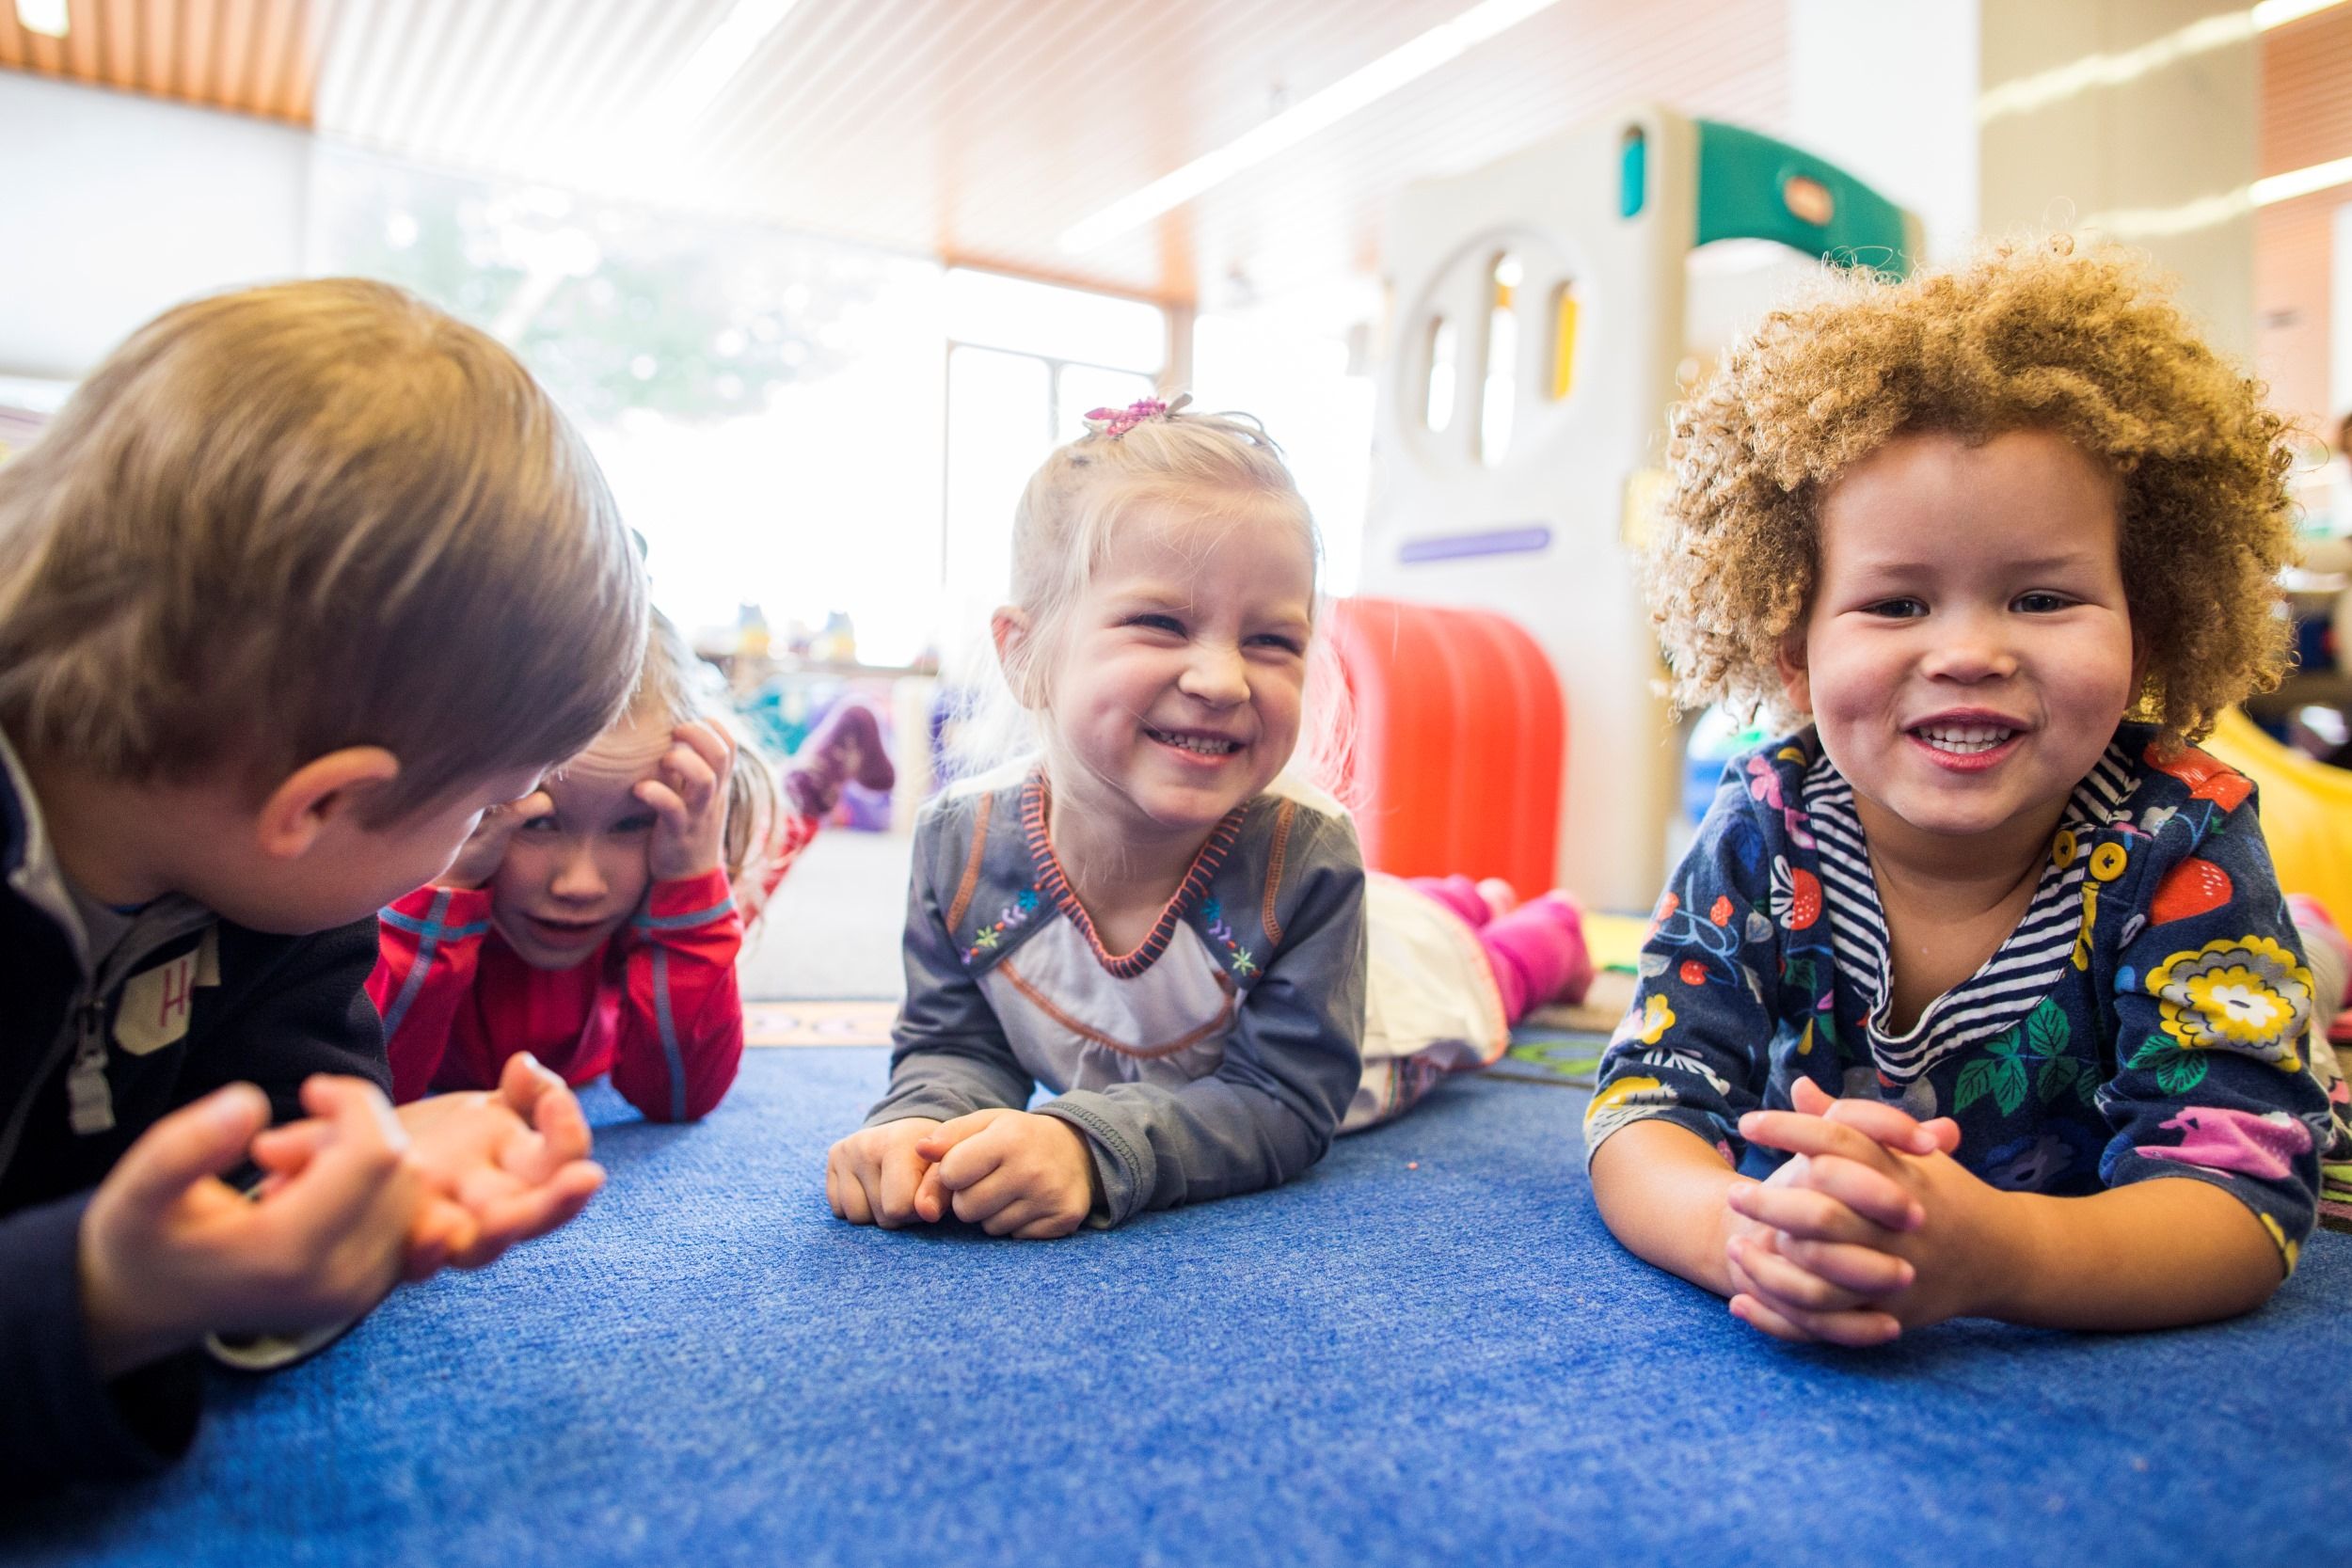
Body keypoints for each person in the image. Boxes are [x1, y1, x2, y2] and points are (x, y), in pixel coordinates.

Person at [1585, 238, 2346, 1345]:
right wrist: (1743, 1233)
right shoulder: (1767, 822)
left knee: (2291, 985)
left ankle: (2310, 953)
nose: (1968, 652)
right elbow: (1644, 1098)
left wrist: (1996, 1254)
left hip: (2218, 972)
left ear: (2151, 627)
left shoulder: (2181, 836)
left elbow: (2241, 1196)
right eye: (1896, 604)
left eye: (2040, 597)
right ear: (1792, 646)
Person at [0, 278, 647, 1488]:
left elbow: (301, 1120)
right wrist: (97, 1298)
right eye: (484, 808)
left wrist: (369, 1178)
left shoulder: (286, 903)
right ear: (319, 803)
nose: (489, 836)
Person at [824, 397, 1589, 1239]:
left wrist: (1090, 1147)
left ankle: (1542, 931)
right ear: (1022, 652)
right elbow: (957, 1044)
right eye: (1160, 623)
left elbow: (1280, 1100)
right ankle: (1459, 897)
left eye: (1272, 641)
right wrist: (918, 1125)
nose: (1223, 679)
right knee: (1416, 913)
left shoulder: (1308, 856)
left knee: (1477, 977)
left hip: (1379, 1016)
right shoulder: (958, 847)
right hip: (1340, 925)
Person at [371, 611, 893, 1119]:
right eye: (539, 822)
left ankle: (826, 766)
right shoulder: (384, 875)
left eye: (630, 823)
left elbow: (679, 1100)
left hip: (669, 888)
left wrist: (690, 881)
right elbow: (365, 1091)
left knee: (763, 855)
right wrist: (449, 883)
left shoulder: (678, 861)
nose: (580, 885)